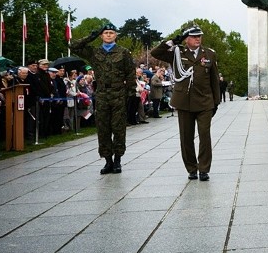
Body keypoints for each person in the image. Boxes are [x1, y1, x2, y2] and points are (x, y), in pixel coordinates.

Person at [152, 26, 221, 180]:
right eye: (193, 36)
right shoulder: (177, 52)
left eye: (199, 36)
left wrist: (216, 102)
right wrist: (173, 41)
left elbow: (214, 79)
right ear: (186, 38)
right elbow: (155, 53)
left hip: (204, 101)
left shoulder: (209, 54)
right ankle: (191, 168)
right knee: (186, 137)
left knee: (204, 135)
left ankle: (204, 168)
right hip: (184, 101)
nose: (197, 39)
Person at [71, 23, 136, 174]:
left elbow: (130, 73)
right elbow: (73, 46)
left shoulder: (123, 52)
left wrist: (130, 93)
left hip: (118, 93)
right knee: (103, 128)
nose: (108, 35)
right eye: (105, 33)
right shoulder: (95, 52)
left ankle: (118, 159)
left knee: (118, 128)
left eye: (111, 33)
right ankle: (108, 160)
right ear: (101, 35)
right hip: (101, 94)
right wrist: (90, 37)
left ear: (115, 35)